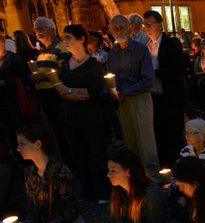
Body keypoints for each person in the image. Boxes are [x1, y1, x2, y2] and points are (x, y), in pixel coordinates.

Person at [55, 24, 109, 204]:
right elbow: (59, 91)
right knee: (78, 155)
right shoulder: (64, 64)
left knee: (96, 155)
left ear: (81, 39)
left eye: (68, 37)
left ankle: (102, 190)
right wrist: (73, 92)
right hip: (70, 117)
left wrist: (67, 91)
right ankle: (86, 189)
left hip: (91, 117)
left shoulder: (94, 64)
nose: (65, 42)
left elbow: (91, 92)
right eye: (64, 38)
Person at [105, 15, 159, 179]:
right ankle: (136, 175)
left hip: (140, 98)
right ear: (110, 30)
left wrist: (126, 91)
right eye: (115, 28)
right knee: (130, 139)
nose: (119, 31)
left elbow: (148, 79)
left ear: (129, 28)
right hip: (122, 101)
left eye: (122, 27)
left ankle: (153, 176)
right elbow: (111, 77)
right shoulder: (112, 54)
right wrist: (113, 90)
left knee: (146, 140)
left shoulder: (140, 49)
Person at [143, 10, 186, 167]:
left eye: (150, 24)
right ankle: (163, 166)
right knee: (158, 132)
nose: (147, 28)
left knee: (172, 133)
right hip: (153, 96)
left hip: (170, 96)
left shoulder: (171, 43)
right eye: (145, 25)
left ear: (160, 24)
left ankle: (175, 166)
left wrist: (155, 73)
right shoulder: (146, 45)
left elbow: (178, 69)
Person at [0, 28, 30, 151]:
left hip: (13, 103)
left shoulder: (13, 58)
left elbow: (26, 79)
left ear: (2, 40)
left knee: (19, 134)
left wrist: (3, 83)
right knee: (8, 134)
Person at [31, 17, 71, 163]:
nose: (38, 31)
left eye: (41, 28)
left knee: (63, 131)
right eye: (36, 29)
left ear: (52, 30)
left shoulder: (61, 48)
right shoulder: (41, 52)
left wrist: (44, 77)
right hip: (45, 97)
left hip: (57, 97)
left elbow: (64, 71)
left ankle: (69, 160)